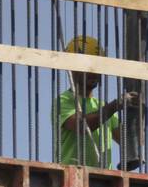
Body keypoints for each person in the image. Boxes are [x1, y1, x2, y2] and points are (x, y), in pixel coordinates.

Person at [55, 35, 138, 167]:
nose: (94, 73)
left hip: (103, 179)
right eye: (88, 68)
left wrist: (137, 117)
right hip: (72, 174)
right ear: (72, 69)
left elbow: (127, 140)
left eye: (98, 68)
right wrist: (116, 105)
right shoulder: (63, 101)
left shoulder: (103, 106)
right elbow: (83, 126)